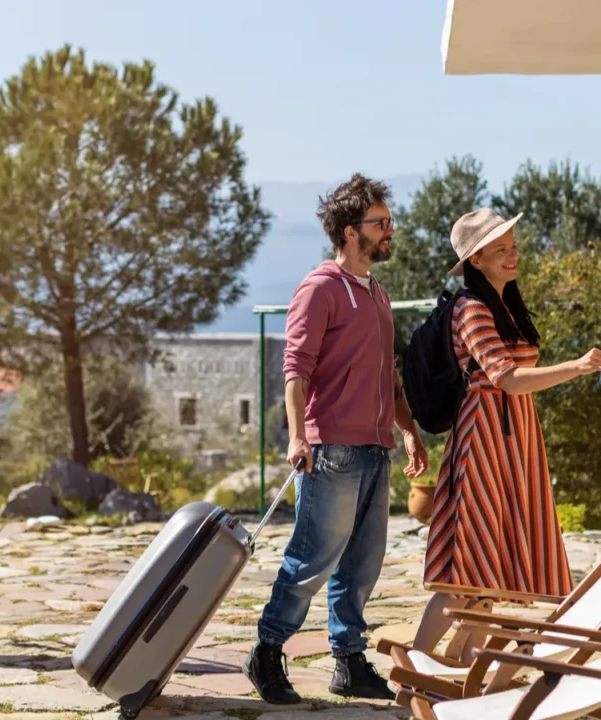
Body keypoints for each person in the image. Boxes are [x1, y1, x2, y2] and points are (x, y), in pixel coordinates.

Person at [245, 174, 429, 704]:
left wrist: (408, 431)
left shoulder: (378, 293)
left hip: (374, 449)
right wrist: (297, 438)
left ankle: (348, 661)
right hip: (330, 452)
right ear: (351, 232)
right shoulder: (320, 288)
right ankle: (266, 651)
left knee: (362, 564)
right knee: (312, 558)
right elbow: (295, 369)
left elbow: (388, 375)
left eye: (389, 221)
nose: (390, 230)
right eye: (380, 222)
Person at [411, 207, 601, 653]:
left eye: (513, 246)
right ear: (476, 260)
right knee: (467, 569)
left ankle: (461, 666)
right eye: (500, 250)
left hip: (514, 434)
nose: (513, 255)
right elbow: (506, 379)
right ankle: (414, 665)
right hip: (484, 436)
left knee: (492, 568)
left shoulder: (504, 305)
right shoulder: (471, 308)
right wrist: (578, 366)